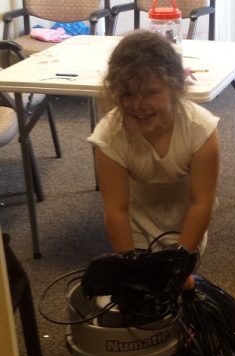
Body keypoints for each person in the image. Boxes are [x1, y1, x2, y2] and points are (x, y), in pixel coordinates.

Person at [88, 30, 220, 288]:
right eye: (128, 94)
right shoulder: (108, 137)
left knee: (177, 291)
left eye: (151, 92)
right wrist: (129, 267)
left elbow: (201, 203)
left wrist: (180, 264)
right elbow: (116, 211)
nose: (139, 104)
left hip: (185, 223)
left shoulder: (201, 130)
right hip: (136, 226)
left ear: (175, 88)